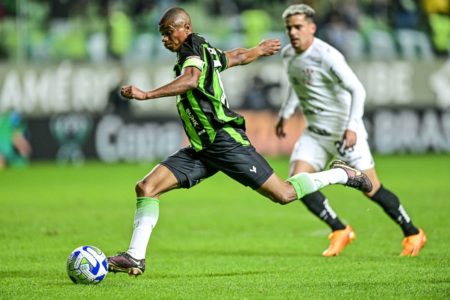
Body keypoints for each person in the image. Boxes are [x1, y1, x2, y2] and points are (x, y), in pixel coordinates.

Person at [107, 7, 372, 276]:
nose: (164, 39)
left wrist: (146, 95)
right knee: (147, 187)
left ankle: (341, 173)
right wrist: (257, 50)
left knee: (284, 194)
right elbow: (234, 56)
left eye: (168, 32)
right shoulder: (202, 49)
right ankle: (135, 257)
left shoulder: (191, 52)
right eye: (161, 34)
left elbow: (190, 80)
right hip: (202, 147)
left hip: (225, 141)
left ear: (185, 28)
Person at [275, 4, 426, 257]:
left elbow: (358, 89)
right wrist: (285, 113)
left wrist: (352, 126)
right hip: (315, 133)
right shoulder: (289, 55)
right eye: (289, 27)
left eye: (298, 26)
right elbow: (296, 84)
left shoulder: (327, 56)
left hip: (344, 133)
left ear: (312, 28)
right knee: (297, 183)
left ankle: (412, 232)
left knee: (371, 188)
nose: (292, 32)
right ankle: (340, 229)